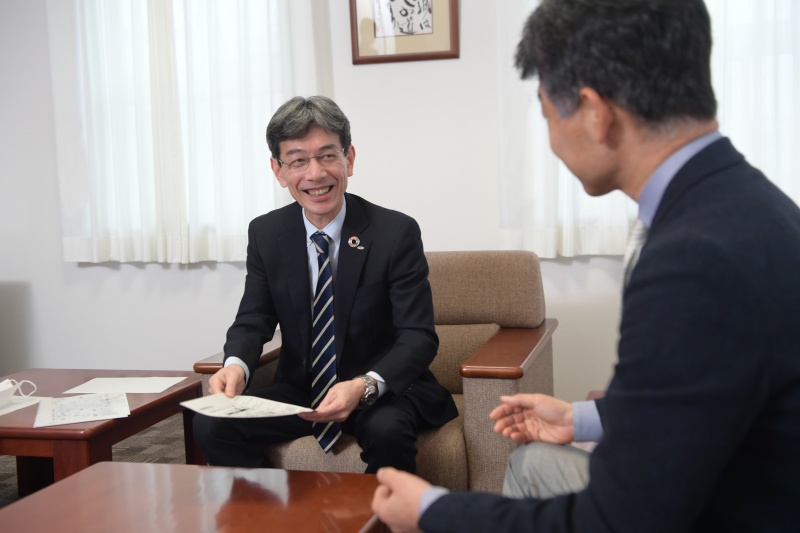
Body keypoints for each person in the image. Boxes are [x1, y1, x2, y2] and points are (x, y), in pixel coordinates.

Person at [371, 0, 800, 531]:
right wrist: (582, 418)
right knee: (531, 462)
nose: (552, 139)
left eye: (549, 115)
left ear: (596, 113)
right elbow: (704, 390)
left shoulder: (695, 259)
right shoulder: (744, 204)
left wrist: (432, 510)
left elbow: (619, 519)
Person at [193, 95, 457, 474]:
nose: (315, 174)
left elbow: (418, 336)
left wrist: (364, 386)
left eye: (327, 156)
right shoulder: (267, 233)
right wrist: (236, 365)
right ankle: (279, 516)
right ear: (278, 170)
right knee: (212, 423)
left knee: (388, 432)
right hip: (302, 389)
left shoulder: (394, 232)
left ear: (349, 159)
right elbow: (254, 318)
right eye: (298, 160)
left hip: (377, 391)